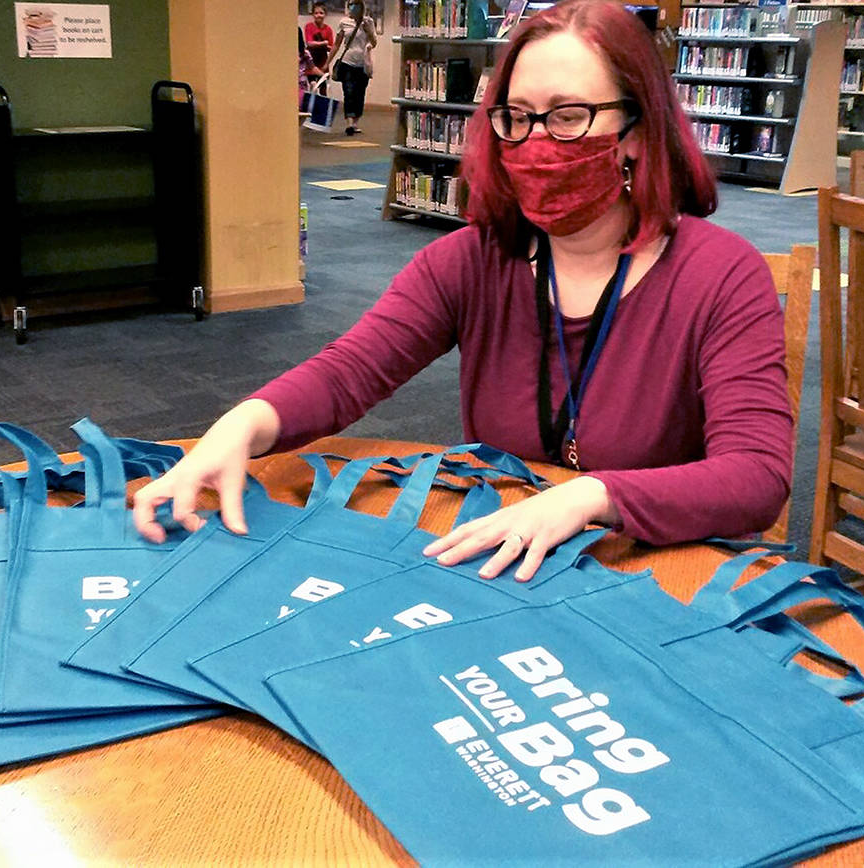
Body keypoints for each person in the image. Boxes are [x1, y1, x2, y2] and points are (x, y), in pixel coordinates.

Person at [134, 0, 792, 582]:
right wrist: (242, 425)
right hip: (508, 563)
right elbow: (351, 372)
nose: (536, 142)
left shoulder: (720, 275)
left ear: (638, 133)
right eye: (516, 117)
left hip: (661, 572)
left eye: (569, 116)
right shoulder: (472, 261)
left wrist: (590, 497)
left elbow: (757, 477)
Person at [329, 1, 376, 135]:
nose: (352, 7)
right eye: (350, 4)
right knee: (348, 91)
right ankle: (349, 122)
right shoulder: (344, 22)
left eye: (355, 4)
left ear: (361, 7)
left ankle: (355, 123)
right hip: (347, 62)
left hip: (363, 63)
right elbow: (336, 45)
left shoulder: (368, 22)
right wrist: (328, 62)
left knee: (359, 93)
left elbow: (374, 43)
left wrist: (368, 31)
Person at [304, 2, 335, 94]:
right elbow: (309, 43)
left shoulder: (328, 29)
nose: (318, 15)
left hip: (323, 61)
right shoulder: (309, 26)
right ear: (313, 14)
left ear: (325, 14)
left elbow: (331, 47)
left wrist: (327, 63)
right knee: (313, 85)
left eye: (321, 13)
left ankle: (323, 107)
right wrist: (323, 43)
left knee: (323, 87)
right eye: (316, 13)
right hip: (311, 61)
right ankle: (312, 106)